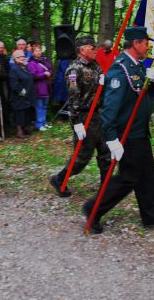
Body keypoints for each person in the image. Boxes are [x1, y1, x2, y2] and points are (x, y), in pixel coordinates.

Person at [82, 27, 154, 234]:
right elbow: (109, 110)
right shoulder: (120, 70)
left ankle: (151, 215)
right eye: (145, 43)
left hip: (140, 132)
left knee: (148, 175)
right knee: (129, 177)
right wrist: (112, 139)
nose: (148, 46)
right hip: (128, 135)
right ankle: (93, 209)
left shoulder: (139, 67)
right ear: (136, 43)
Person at [49, 36, 111, 197]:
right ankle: (59, 178)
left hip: (98, 115)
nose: (95, 50)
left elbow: (100, 90)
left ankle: (106, 187)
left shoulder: (96, 66)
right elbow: (73, 97)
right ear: (82, 50)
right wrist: (76, 122)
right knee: (82, 157)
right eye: (92, 47)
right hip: (84, 117)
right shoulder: (74, 70)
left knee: (105, 151)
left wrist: (105, 82)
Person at [9, 49, 35, 138]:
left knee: (26, 112)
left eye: (23, 56)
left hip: (28, 95)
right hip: (20, 96)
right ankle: (19, 132)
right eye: (18, 57)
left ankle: (26, 129)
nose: (21, 58)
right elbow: (14, 83)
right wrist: (22, 92)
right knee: (20, 113)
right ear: (14, 59)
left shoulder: (24, 67)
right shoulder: (14, 68)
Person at [27, 45, 53, 131]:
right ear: (33, 52)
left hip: (46, 87)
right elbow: (33, 75)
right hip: (38, 88)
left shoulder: (44, 61)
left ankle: (44, 122)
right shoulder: (31, 63)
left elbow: (50, 69)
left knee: (45, 106)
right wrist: (44, 74)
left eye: (39, 50)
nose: (38, 52)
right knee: (39, 107)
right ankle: (39, 124)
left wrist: (49, 72)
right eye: (36, 51)